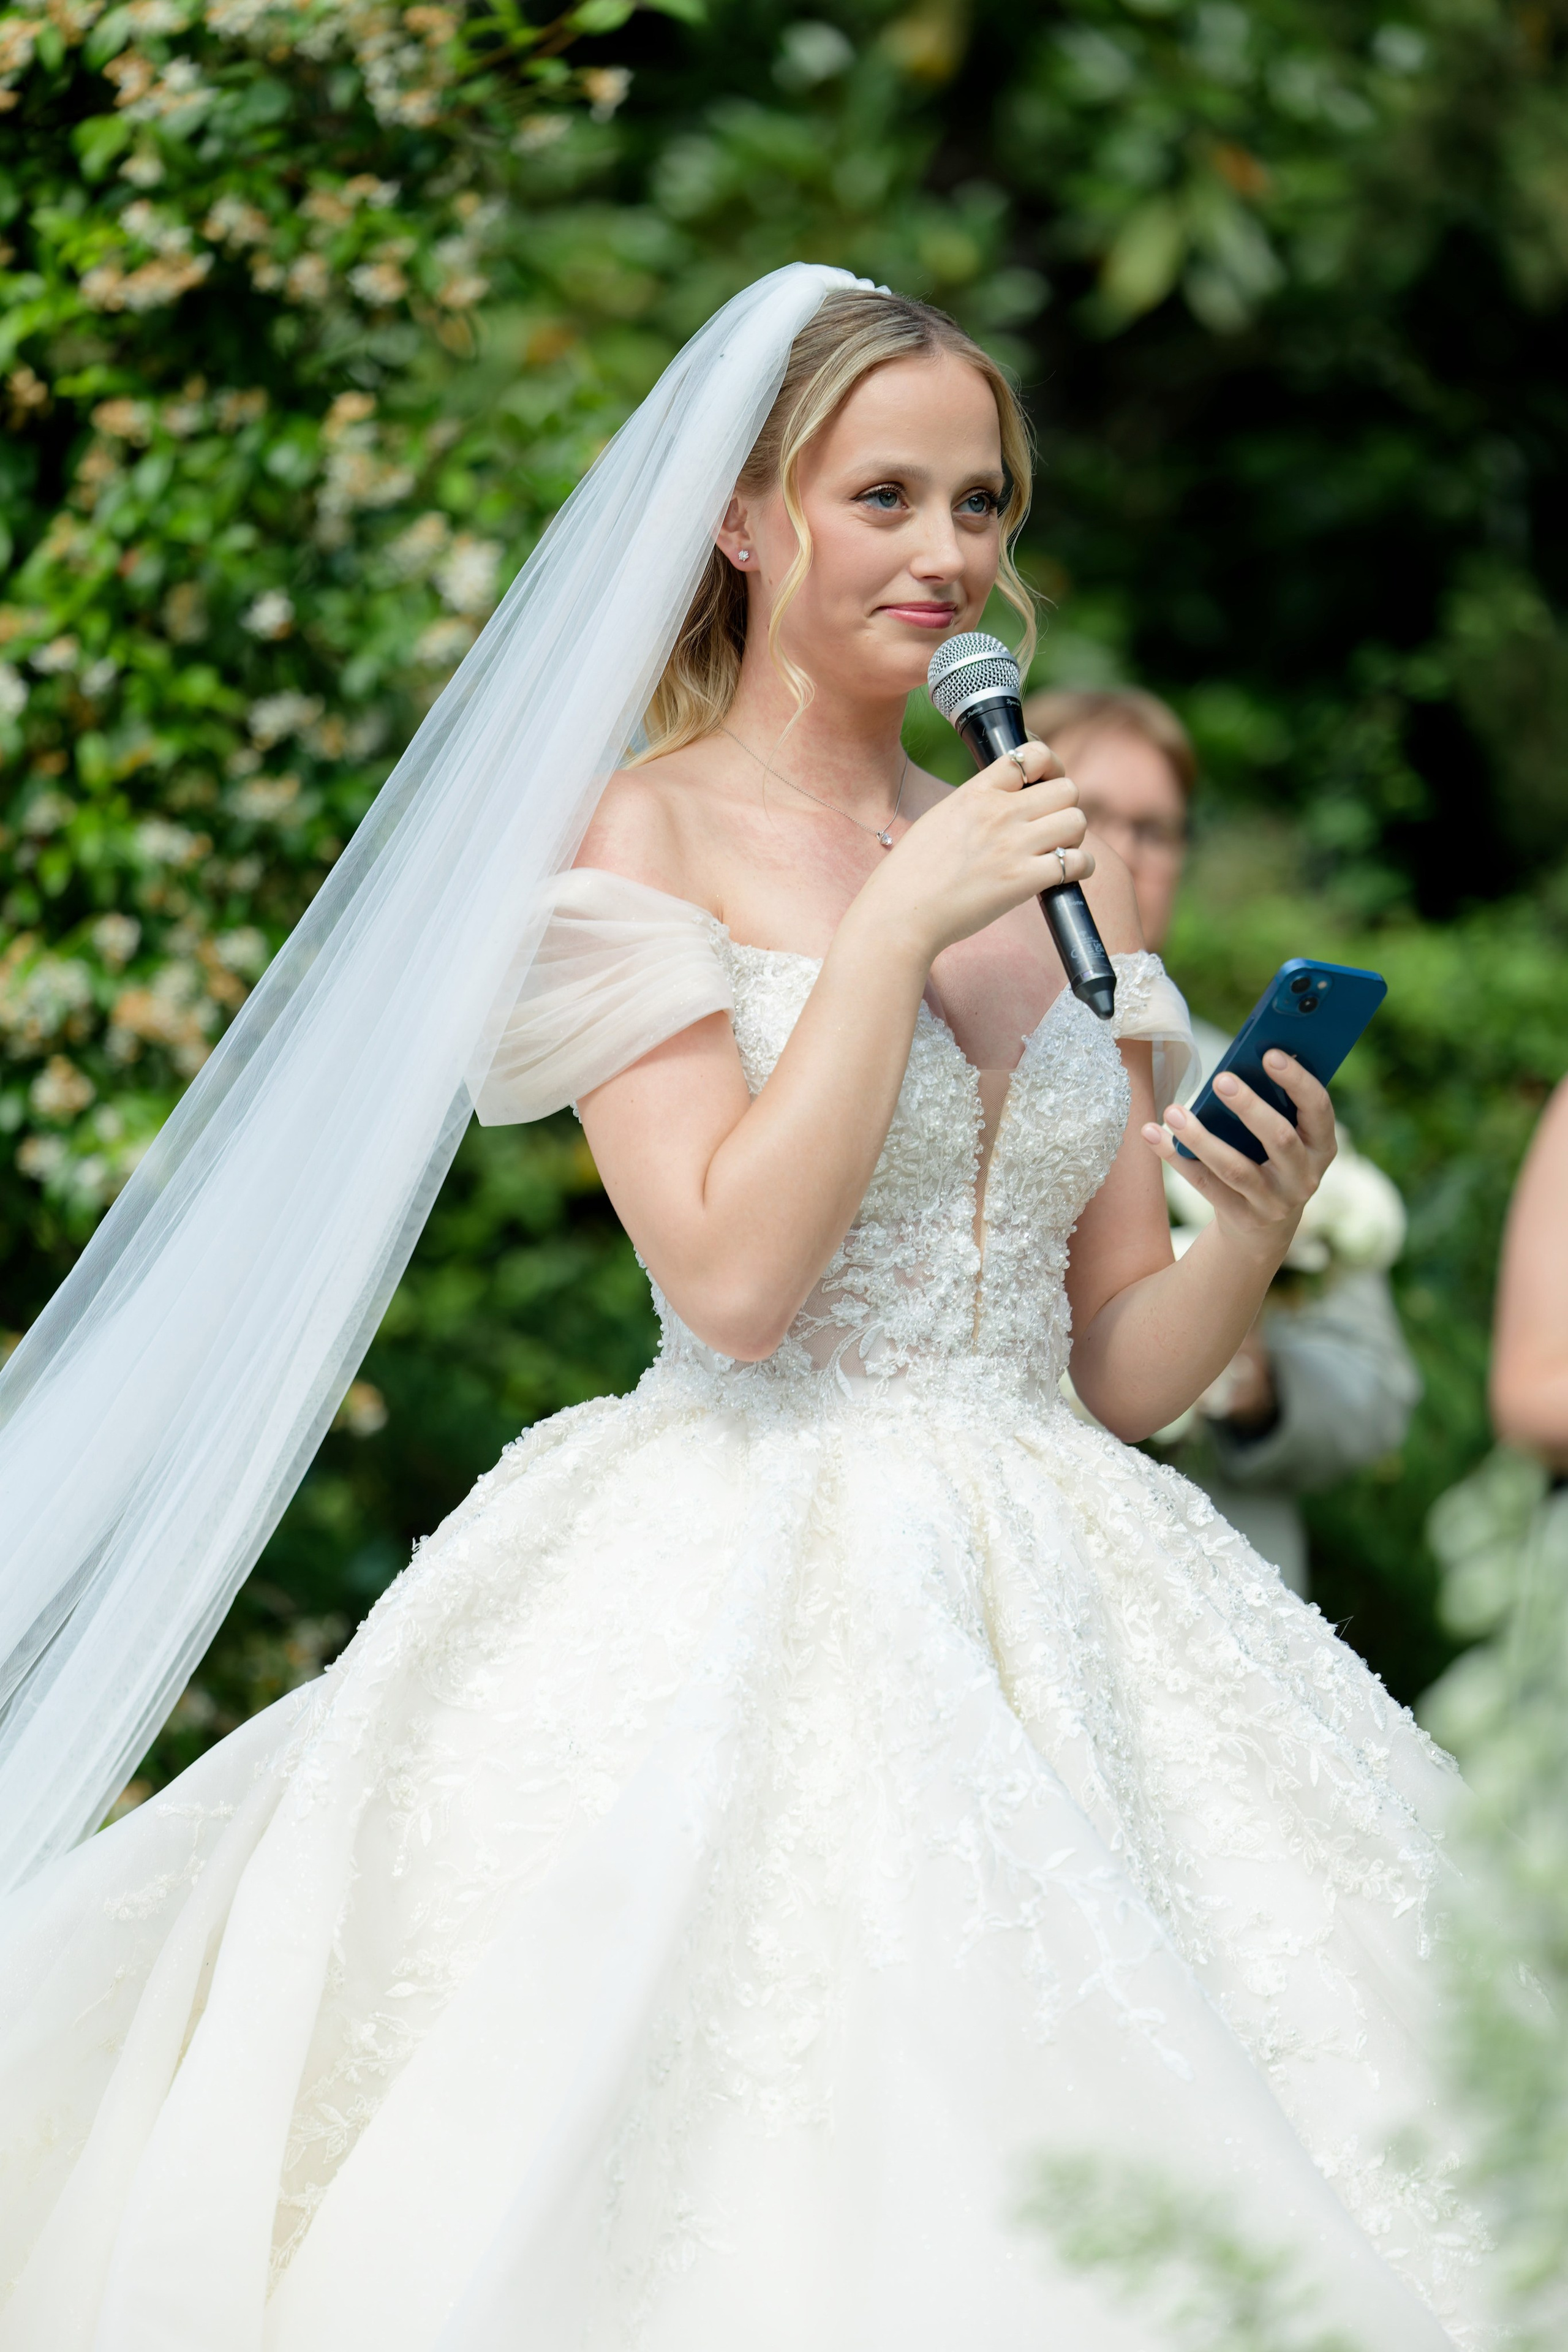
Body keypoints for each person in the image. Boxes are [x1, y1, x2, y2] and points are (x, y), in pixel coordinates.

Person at [0, 274, 1488, 2349]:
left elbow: (1123, 1370)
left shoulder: (1039, 864)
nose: (947, 554)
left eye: (979, 503)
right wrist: (889, 927)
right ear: (746, 522)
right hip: (744, 1547)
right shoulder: (650, 834)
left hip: (1083, 1584)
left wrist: (1246, 1215)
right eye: (883, 495)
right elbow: (733, 1272)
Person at [1022, 687, 1420, 1595]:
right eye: (1095, 814)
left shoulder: (1256, 1086)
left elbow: (1380, 1388)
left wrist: (1257, 1387)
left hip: (1219, 1579)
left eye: (1156, 830)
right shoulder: (938, 1060)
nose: (1122, 852)